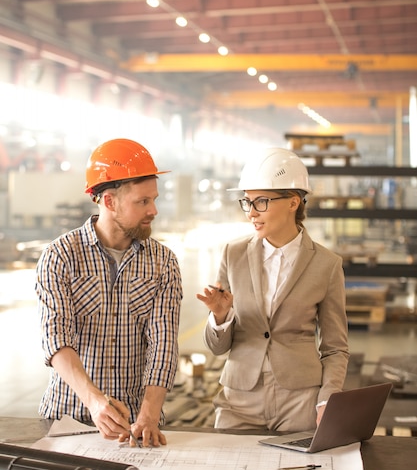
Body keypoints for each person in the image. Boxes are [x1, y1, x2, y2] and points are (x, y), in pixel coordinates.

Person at [36, 138, 183, 447]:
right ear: (110, 201)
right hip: (68, 418)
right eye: (143, 201)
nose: (153, 210)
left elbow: (163, 343)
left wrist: (149, 415)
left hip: (137, 424)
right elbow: (56, 339)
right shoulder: (61, 256)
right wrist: (94, 401)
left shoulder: (163, 262)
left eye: (154, 199)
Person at [197, 147, 349, 432]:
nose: (251, 213)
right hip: (240, 397)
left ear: (293, 202)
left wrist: (328, 397)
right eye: (247, 202)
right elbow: (217, 347)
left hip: (299, 398)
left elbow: (335, 347)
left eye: (262, 202)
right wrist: (220, 317)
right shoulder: (234, 254)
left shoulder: (327, 265)